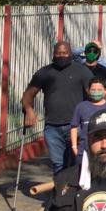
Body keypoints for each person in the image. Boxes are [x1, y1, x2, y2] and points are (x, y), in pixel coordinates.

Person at [23, 41, 94, 173]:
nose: (62, 56)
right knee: (58, 163)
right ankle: (60, 185)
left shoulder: (82, 71)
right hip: (52, 127)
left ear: (70, 53)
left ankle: (74, 185)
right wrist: (29, 110)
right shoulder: (45, 72)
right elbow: (28, 95)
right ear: (53, 54)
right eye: (58, 53)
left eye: (65, 53)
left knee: (76, 161)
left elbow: (93, 93)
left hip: (75, 126)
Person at [69, 78, 106, 160]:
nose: (96, 92)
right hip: (84, 152)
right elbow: (74, 127)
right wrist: (74, 147)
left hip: (105, 152)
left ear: (105, 91)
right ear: (88, 91)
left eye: (99, 90)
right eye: (93, 90)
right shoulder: (81, 107)